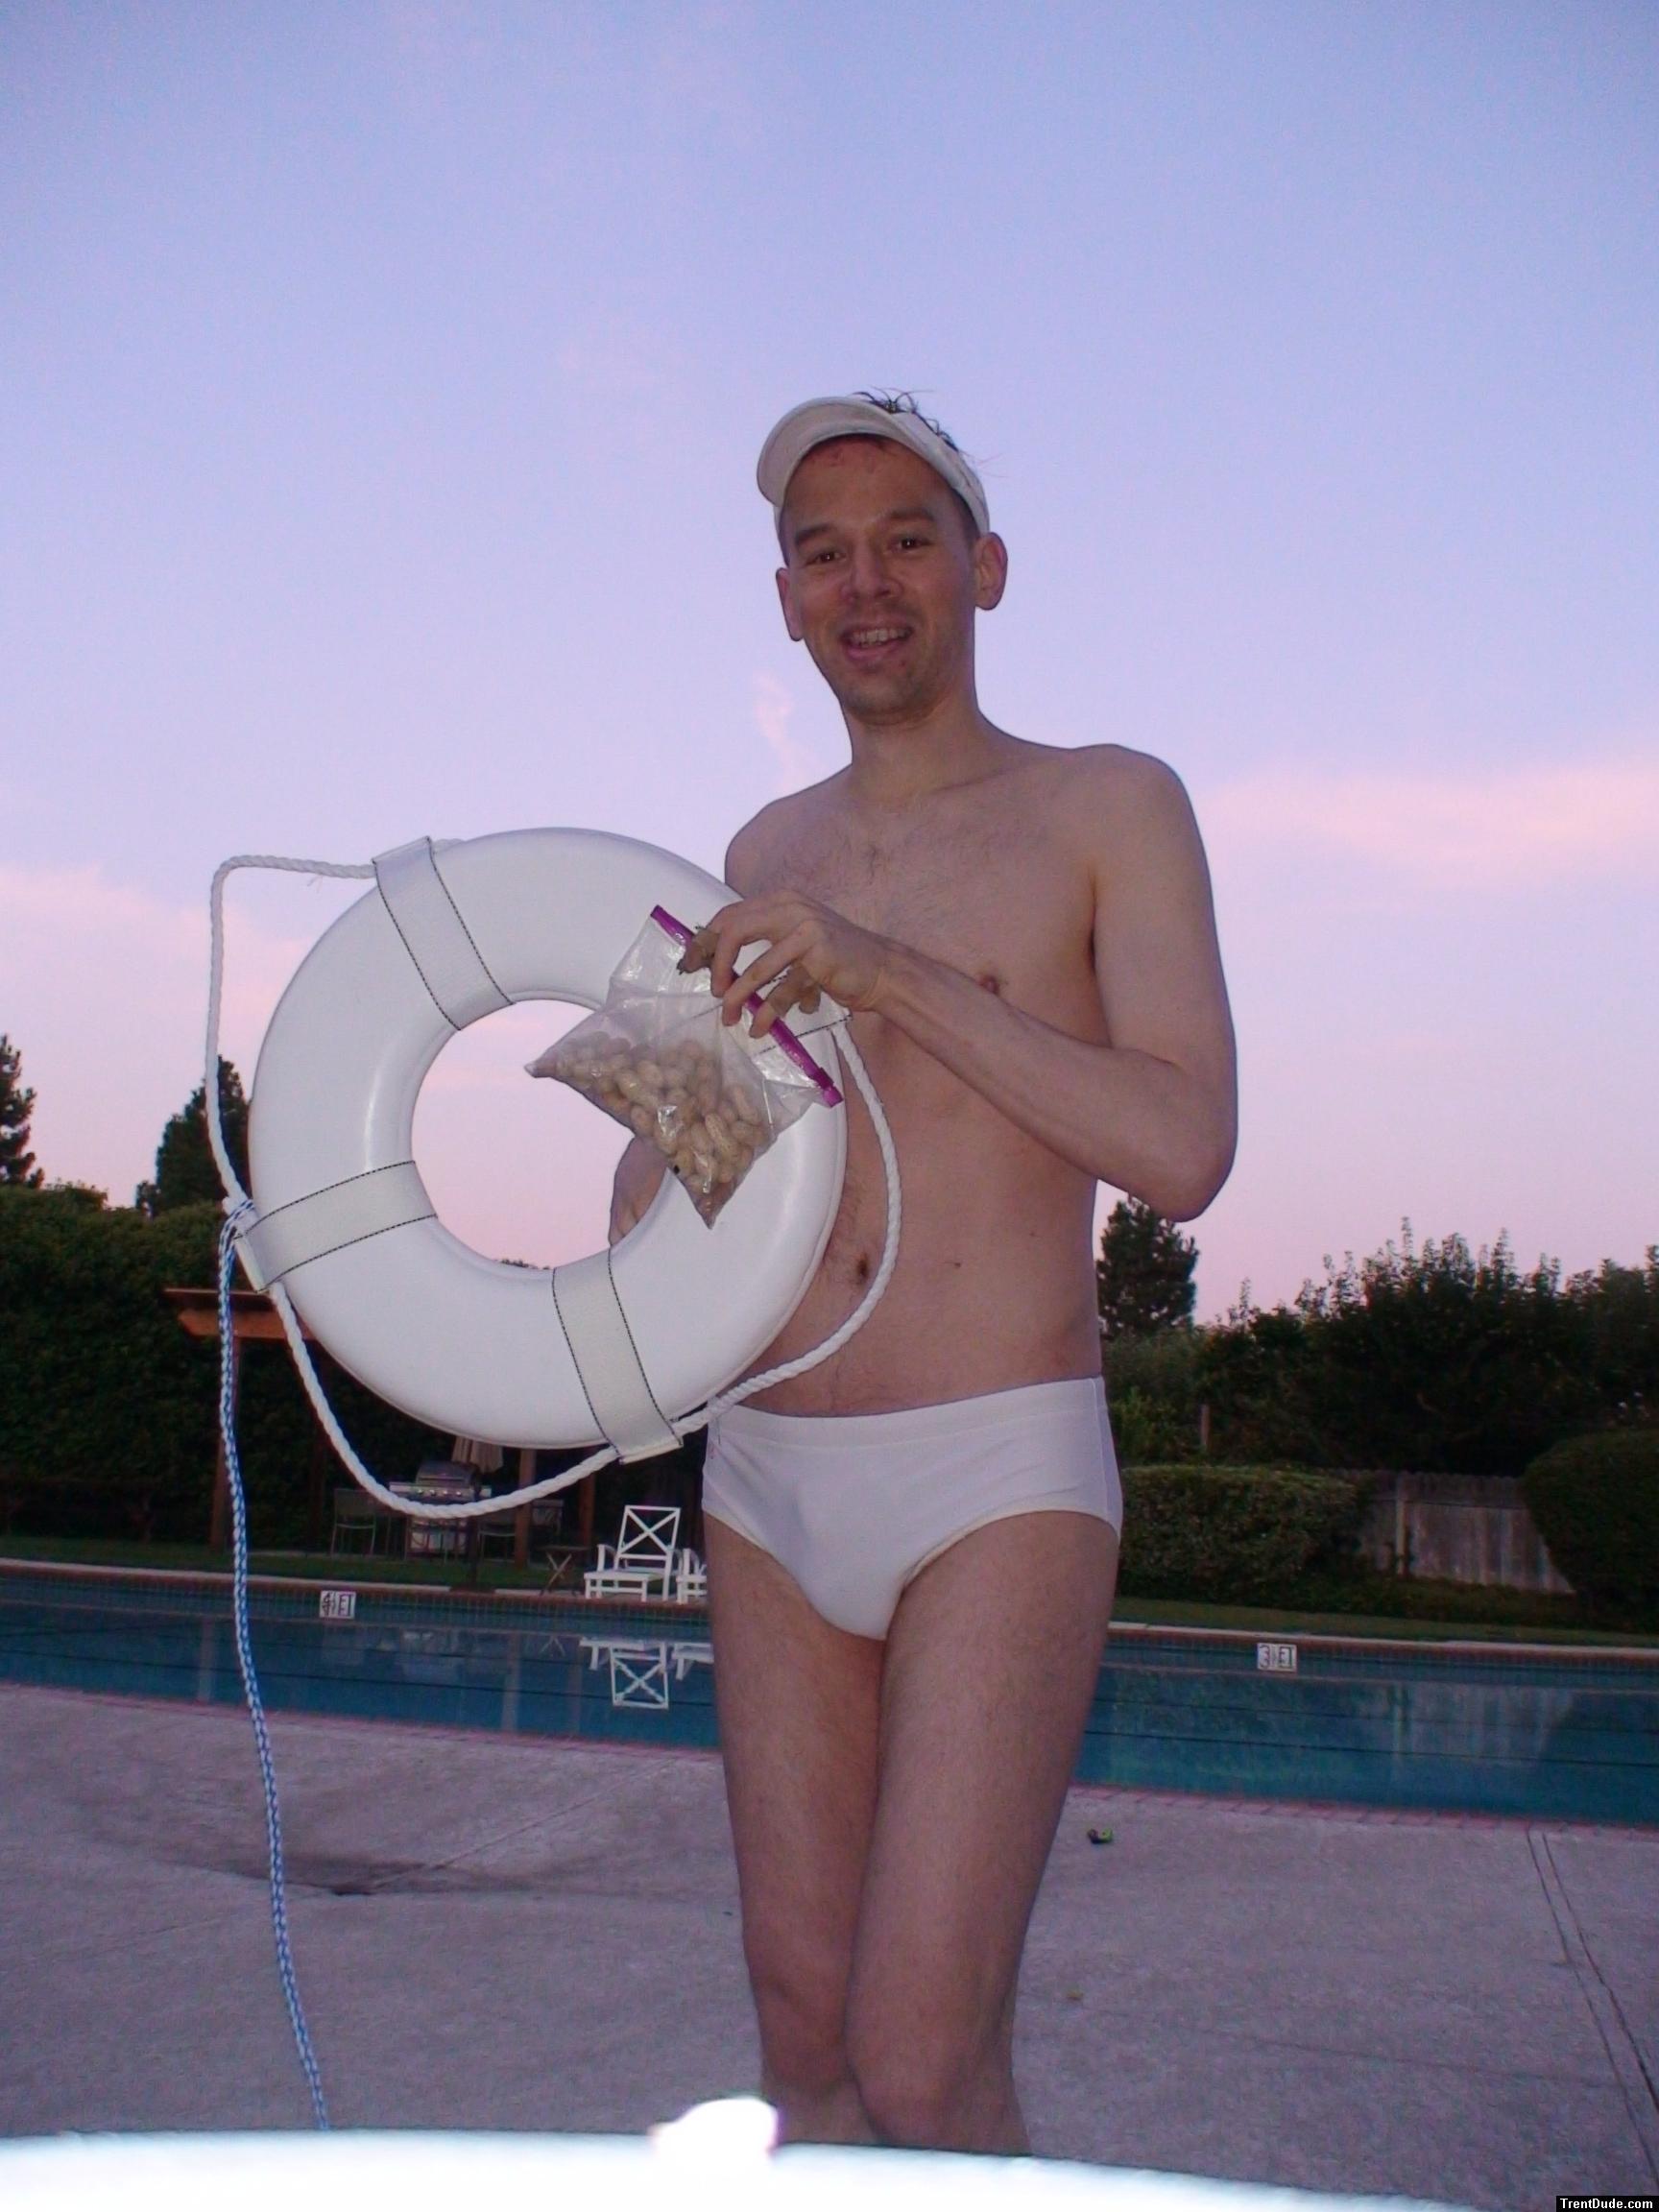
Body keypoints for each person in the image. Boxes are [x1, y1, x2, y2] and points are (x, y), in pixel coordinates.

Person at [608, 392, 1237, 2154]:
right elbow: (665, 1191)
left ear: (986, 568)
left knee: (919, 2044)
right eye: (823, 552)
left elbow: (1185, 1147)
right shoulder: (756, 856)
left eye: (905, 539)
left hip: (995, 1468)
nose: (864, 581)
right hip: (768, 1476)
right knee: (802, 2033)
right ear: (786, 600)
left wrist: (884, 976)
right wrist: (652, 1079)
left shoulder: (1110, 804)